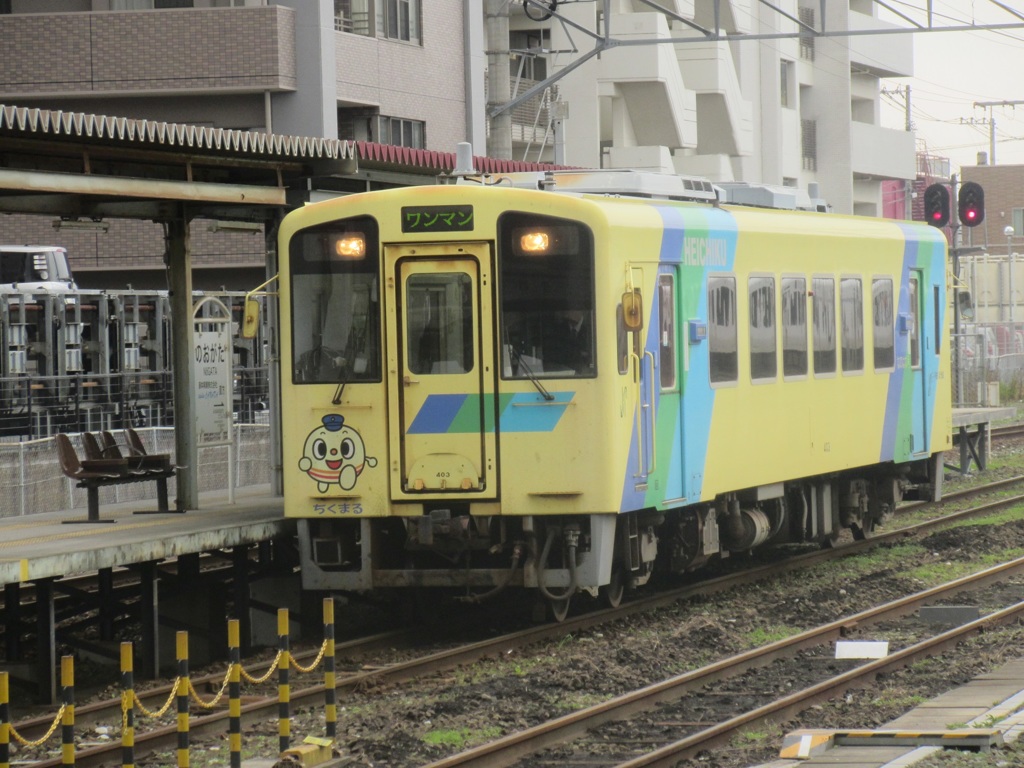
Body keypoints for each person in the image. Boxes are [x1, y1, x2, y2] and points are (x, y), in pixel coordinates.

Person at [543, 308, 593, 373]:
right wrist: (579, 353)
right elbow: (551, 354)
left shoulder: (592, 328)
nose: (568, 312)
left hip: (586, 375)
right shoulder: (557, 331)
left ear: (581, 310)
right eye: (567, 309)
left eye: (573, 308)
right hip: (563, 374)